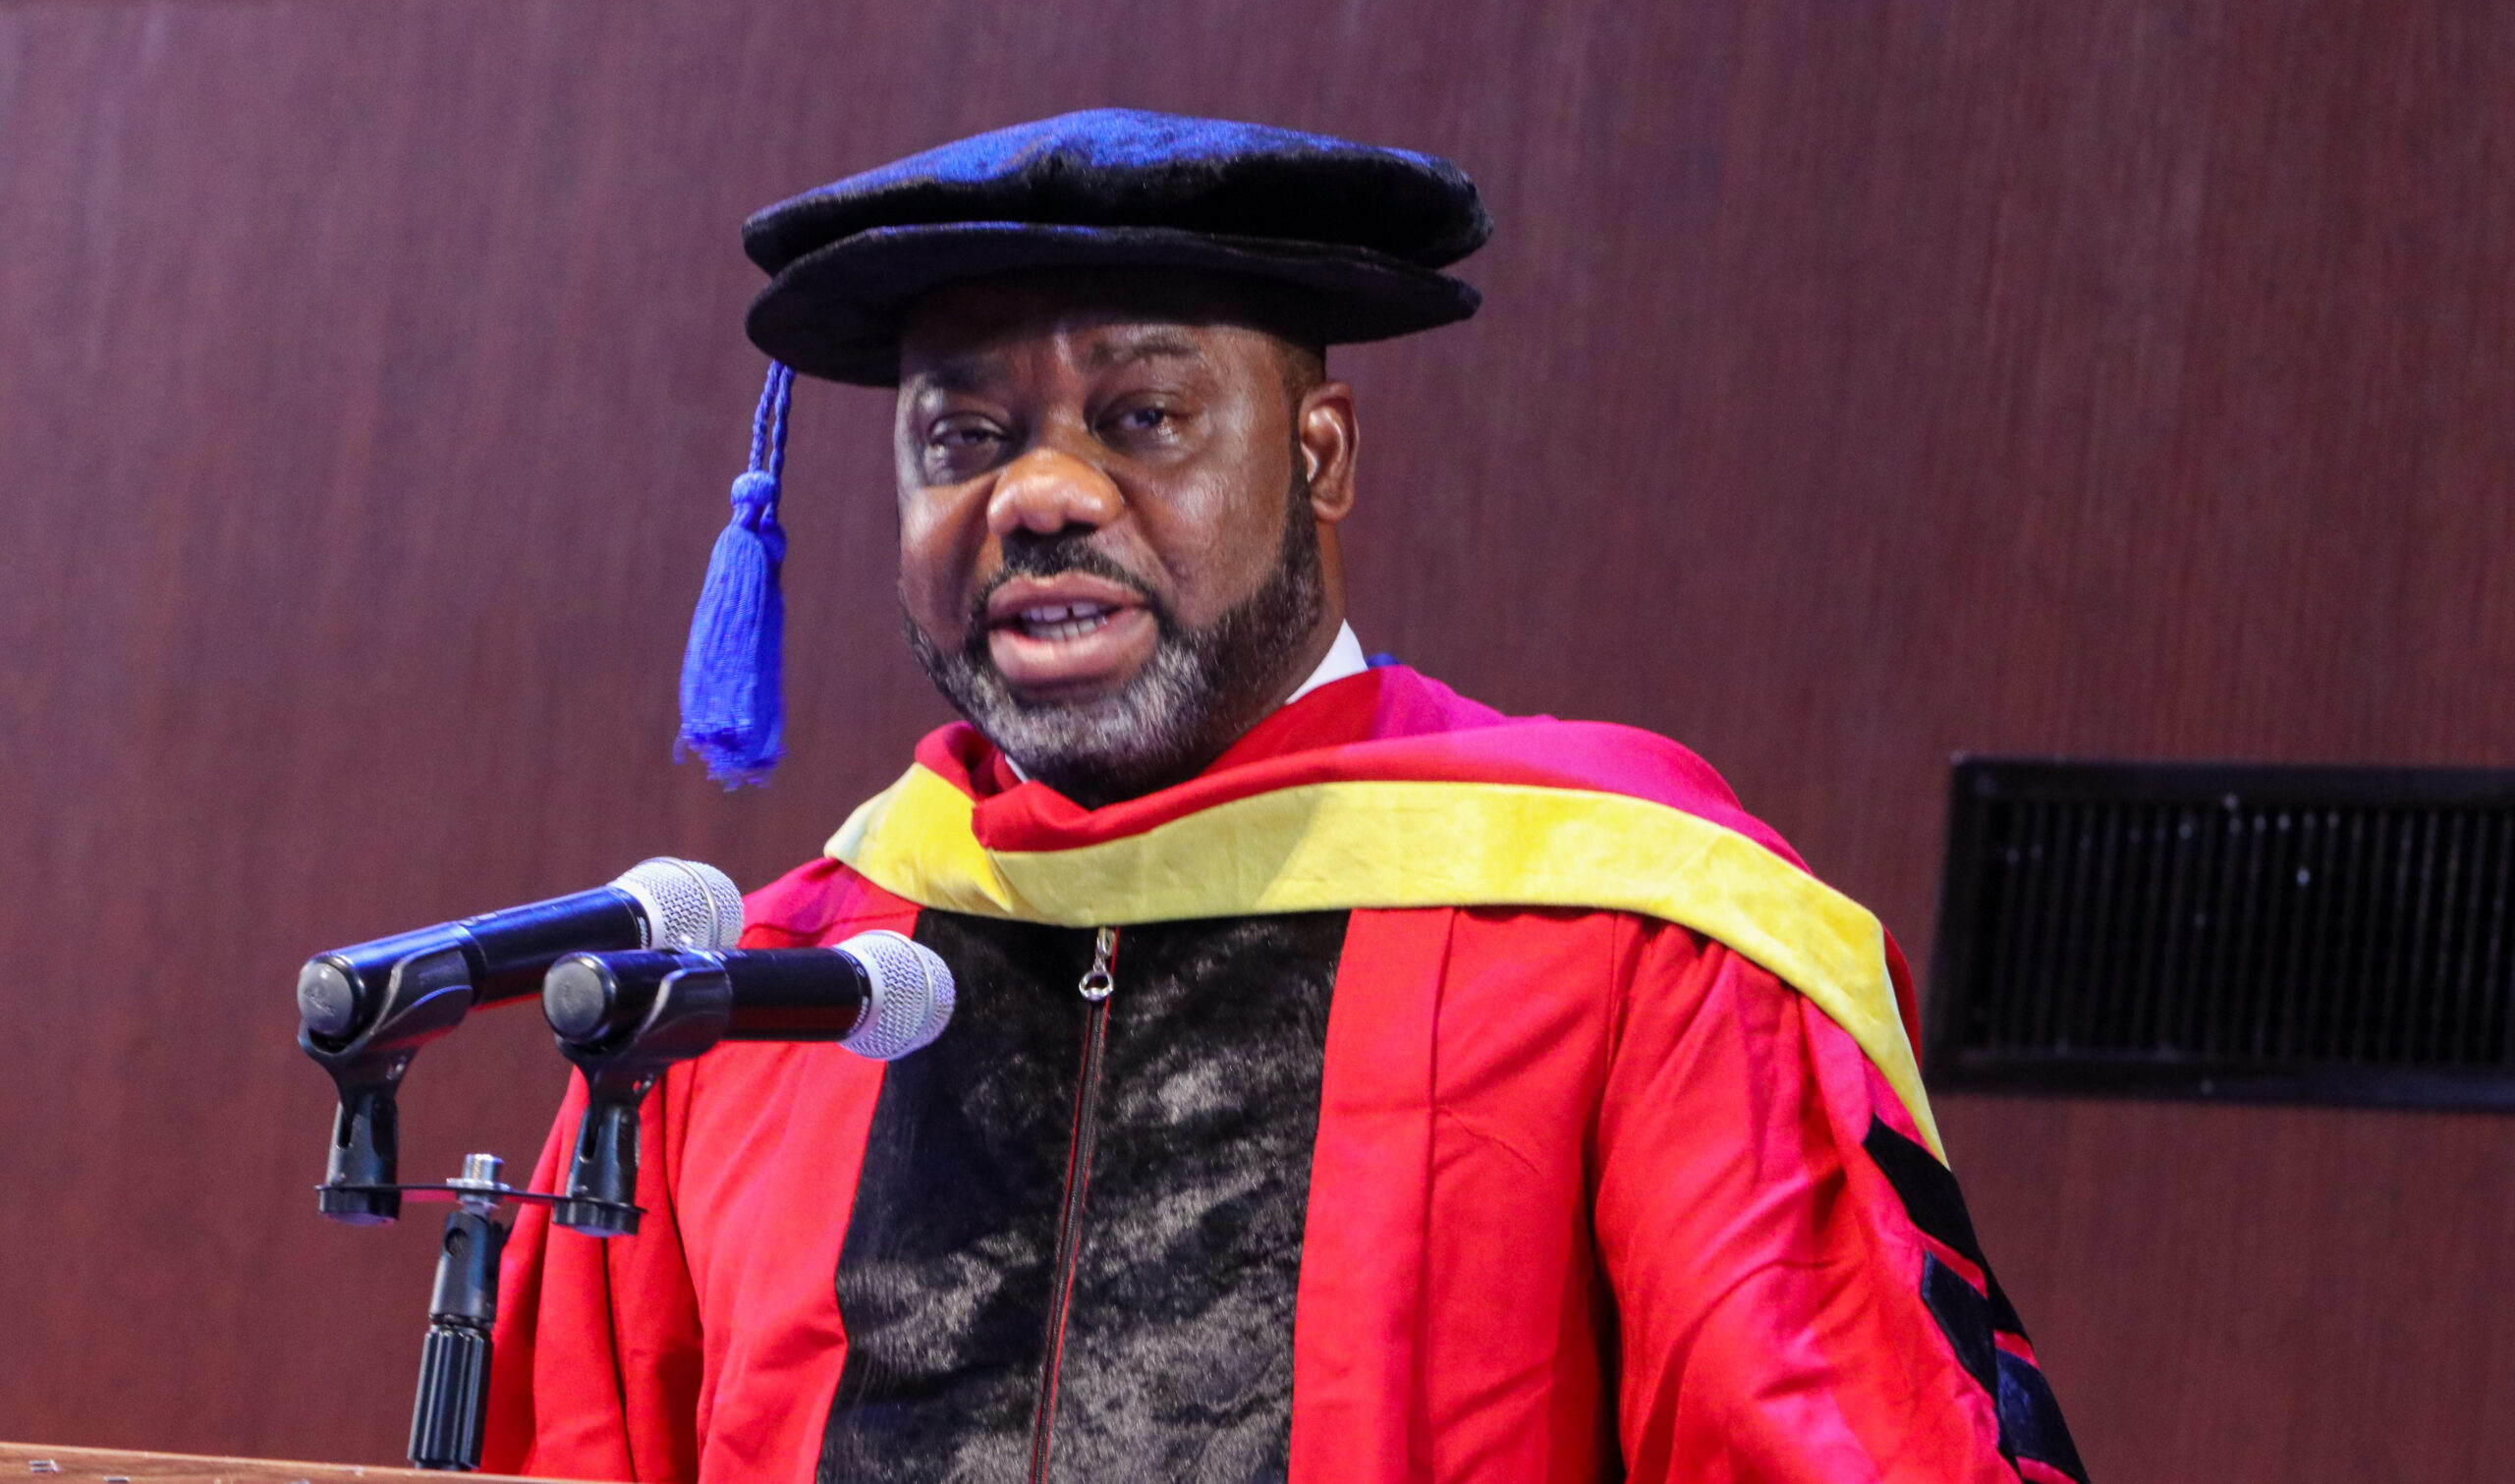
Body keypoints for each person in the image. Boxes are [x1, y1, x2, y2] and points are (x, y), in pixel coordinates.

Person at [482, 110, 2086, 1484]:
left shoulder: (1631, 944)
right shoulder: (752, 1014)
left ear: (1320, 458)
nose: (1037, 494)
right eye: (962, 436)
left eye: (1143, 419)